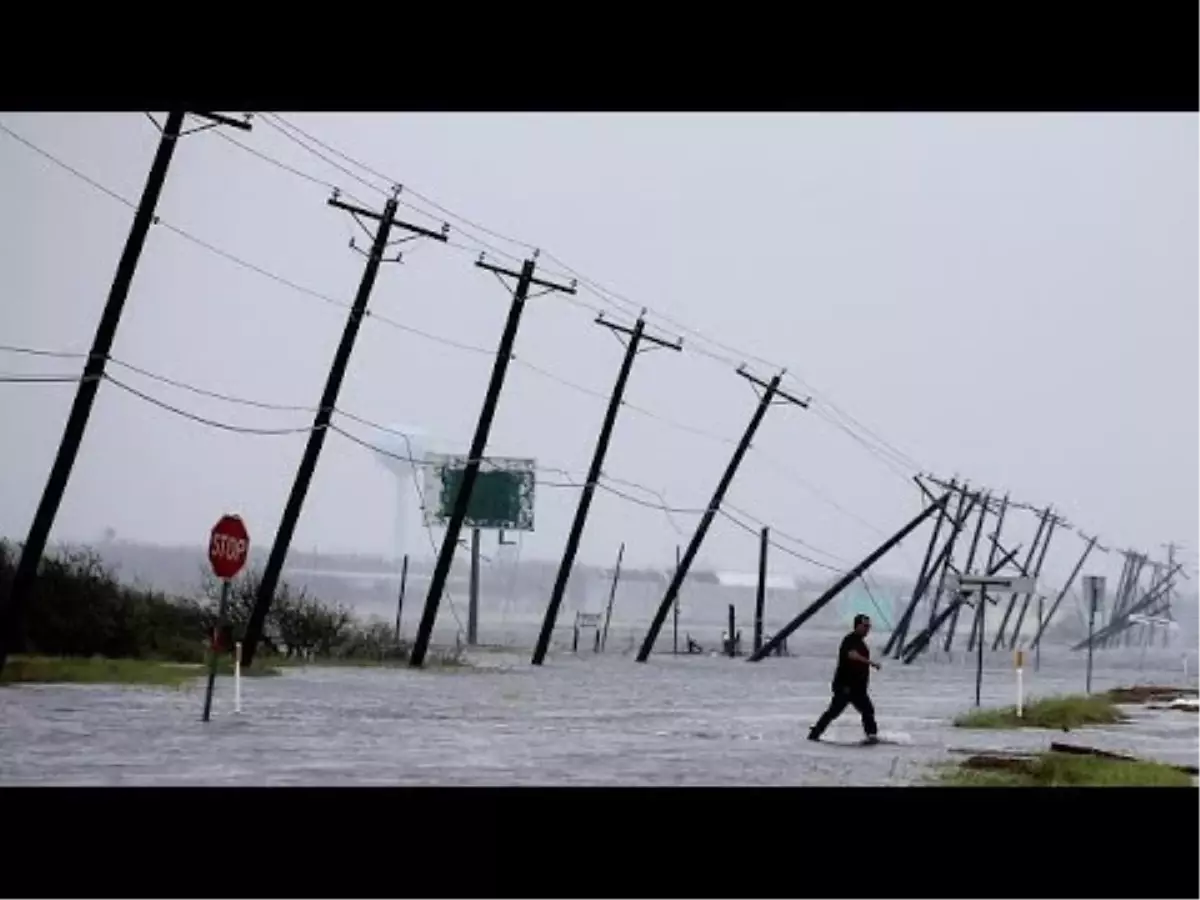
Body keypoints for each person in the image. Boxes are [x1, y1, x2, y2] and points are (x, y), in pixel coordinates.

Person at [808, 613, 882, 743]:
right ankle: (814, 734)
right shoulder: (849, 640)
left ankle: (872, 736)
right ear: (857, 626)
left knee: (868, 710)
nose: (867, 629)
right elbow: (852, 655)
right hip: (845, 687)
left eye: (868, 627)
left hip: (858, 688)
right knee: (833, 712)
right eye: (864, 626)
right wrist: (872, 663)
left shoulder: (861, 643)